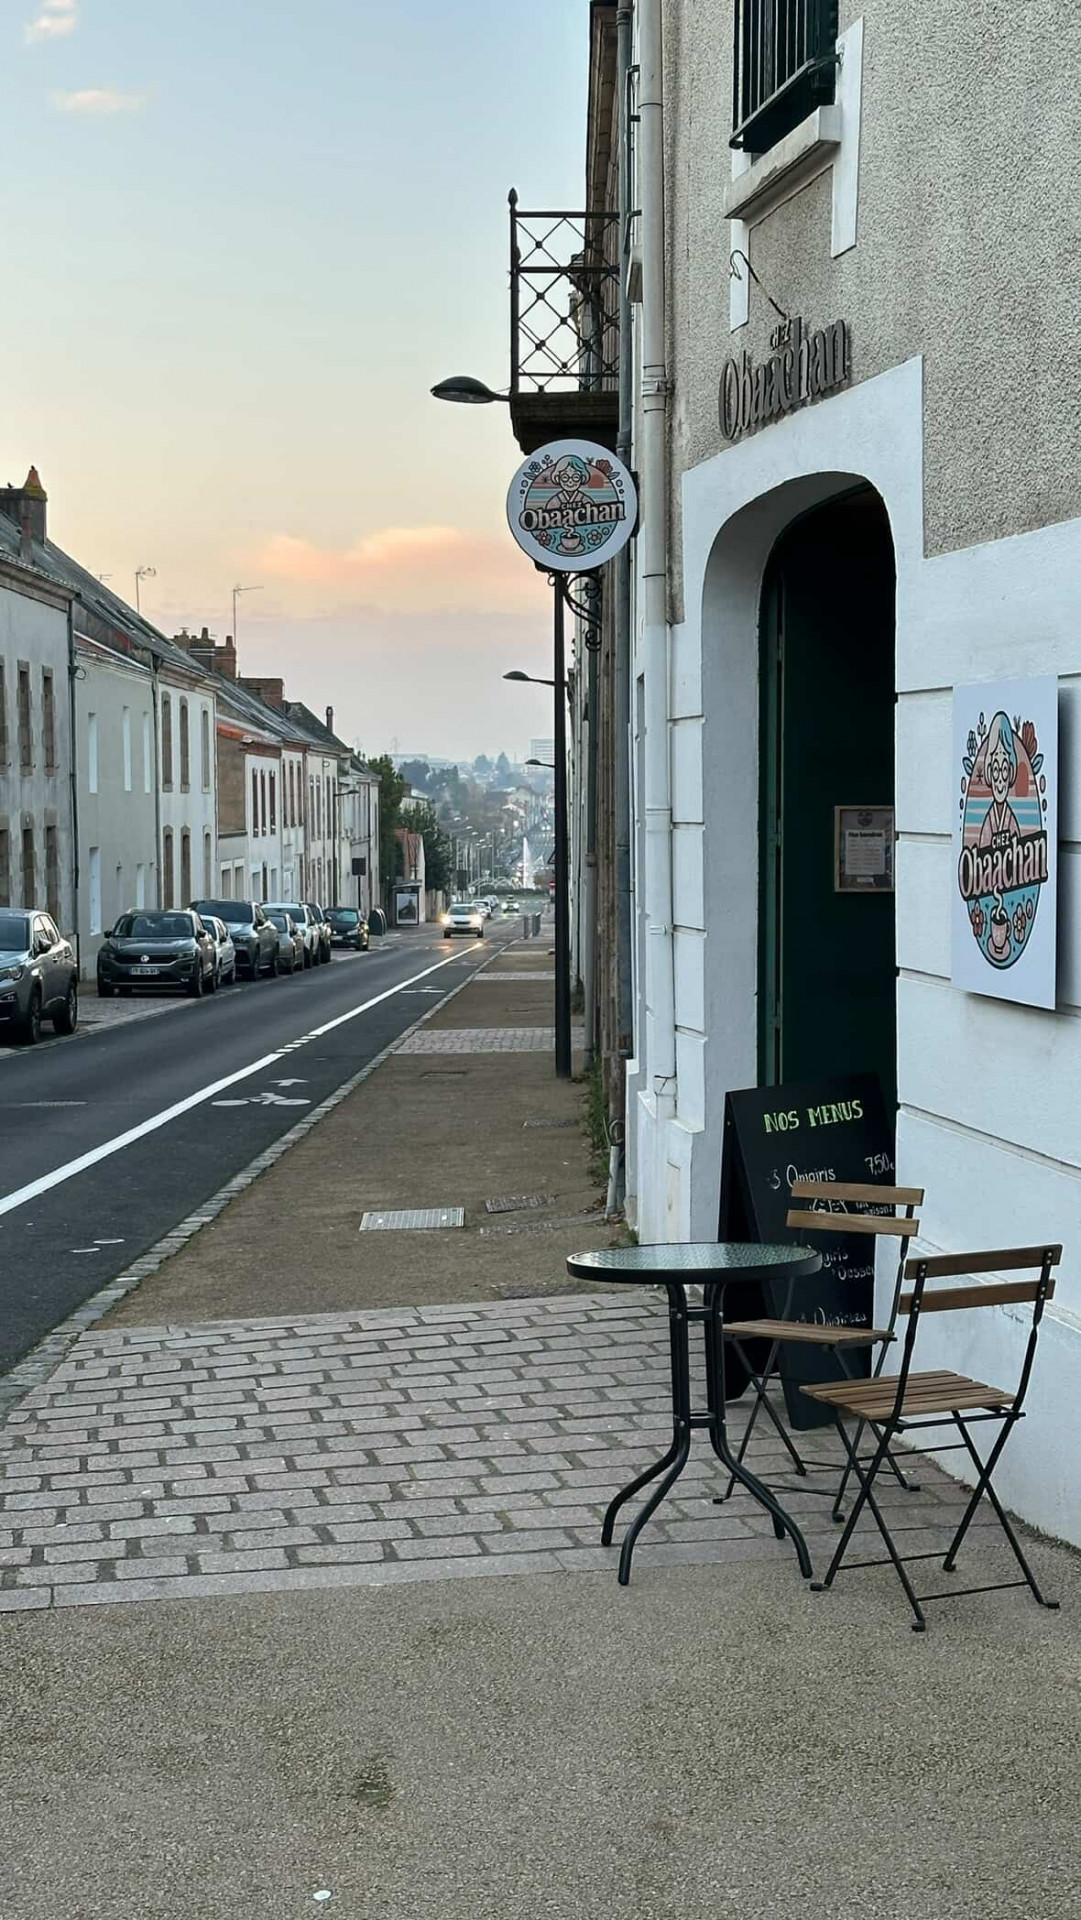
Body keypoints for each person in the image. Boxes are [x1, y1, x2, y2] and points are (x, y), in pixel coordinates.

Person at [978, 711, 1021, 851]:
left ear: (1011, 771)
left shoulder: (1011, 820)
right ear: (990, 771)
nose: (1000, 782)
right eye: (996, 770)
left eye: (1004, 771)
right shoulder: (988, 822)